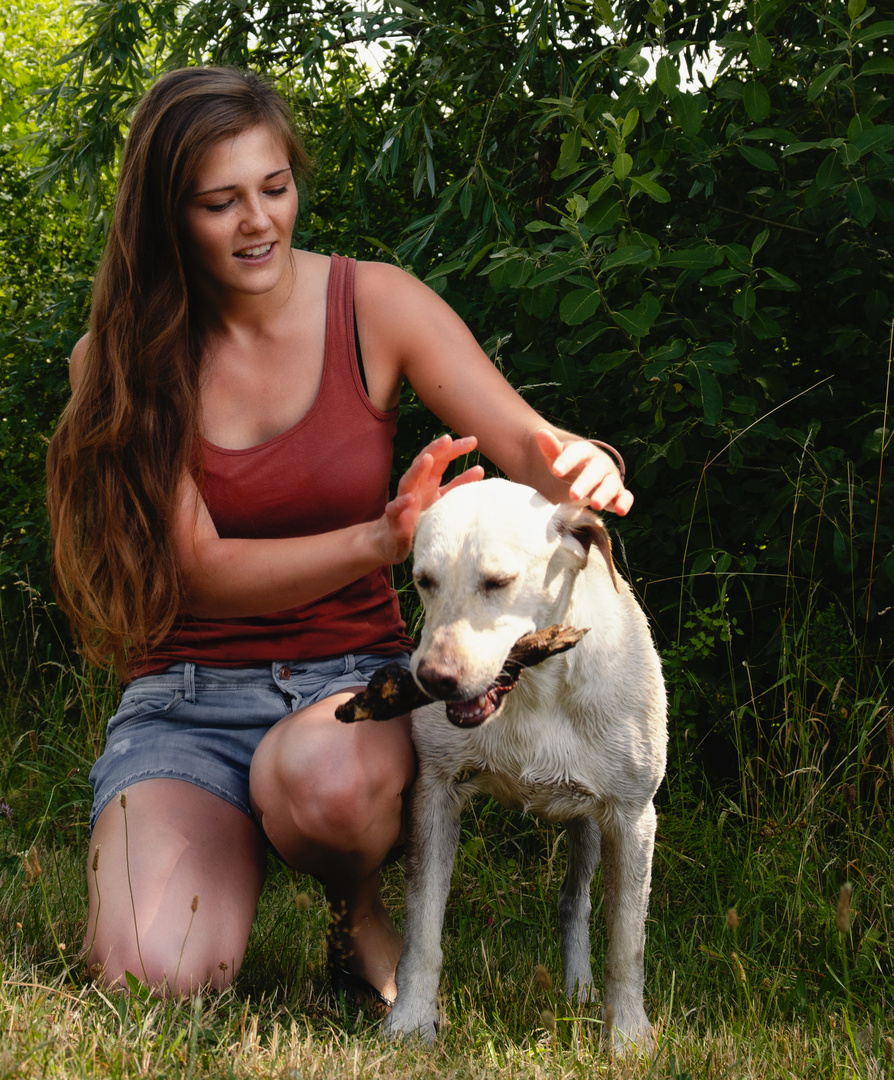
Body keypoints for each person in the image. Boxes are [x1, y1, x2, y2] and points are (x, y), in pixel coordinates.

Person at [46, 66, 632, 1005]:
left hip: (347, 685)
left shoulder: (375, 304)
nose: (259, 223)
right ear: (166, 217)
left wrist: (584, 461)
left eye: (274, 189)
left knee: (319, 777)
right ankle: (194, 834)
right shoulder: (114, 362)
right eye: (219, 202)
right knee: (149, 973)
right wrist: (383, 537)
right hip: (187, 701)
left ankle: (354, 909)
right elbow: (201, 572)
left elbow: (527, 440)